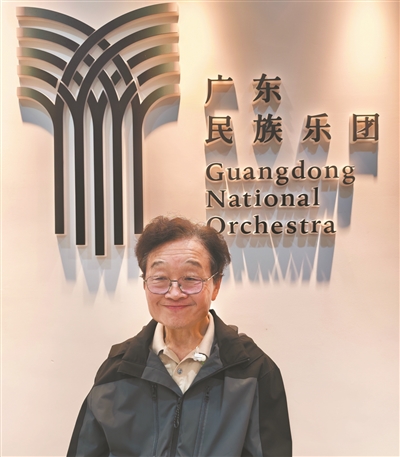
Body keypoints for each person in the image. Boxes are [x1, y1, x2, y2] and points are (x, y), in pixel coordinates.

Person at [67, 216, 292, 456]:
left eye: (190, 279)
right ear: (145, 284)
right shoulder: (117, 371)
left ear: (216, 285)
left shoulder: (254, 372)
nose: (174, 293)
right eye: (160, 278)